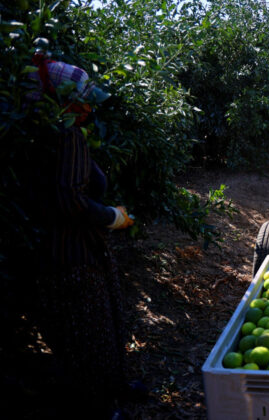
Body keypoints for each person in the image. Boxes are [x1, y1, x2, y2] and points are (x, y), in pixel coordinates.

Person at [29, 49, 138, 419]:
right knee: (88, 334)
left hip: (54, 250)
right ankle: (100, 407)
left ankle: (115, 390)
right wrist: (112, 217)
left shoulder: (33, 131)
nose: (89, 111)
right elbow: (69, 199)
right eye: (82, 104)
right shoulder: (66, 135)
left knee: (92, 328)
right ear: (63, 102)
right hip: (71, 255)